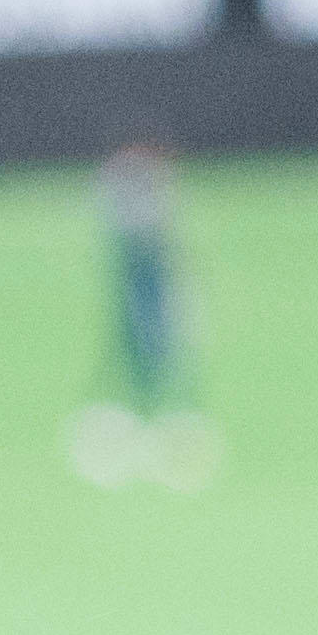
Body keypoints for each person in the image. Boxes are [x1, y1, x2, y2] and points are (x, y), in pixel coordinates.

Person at [79, 141, 214, 490]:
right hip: (142, 303)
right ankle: (145, 421)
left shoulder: (151, 244)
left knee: (158, 358)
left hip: (153, 302)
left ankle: (158, 423)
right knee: (144, 357)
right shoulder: (137, 246)